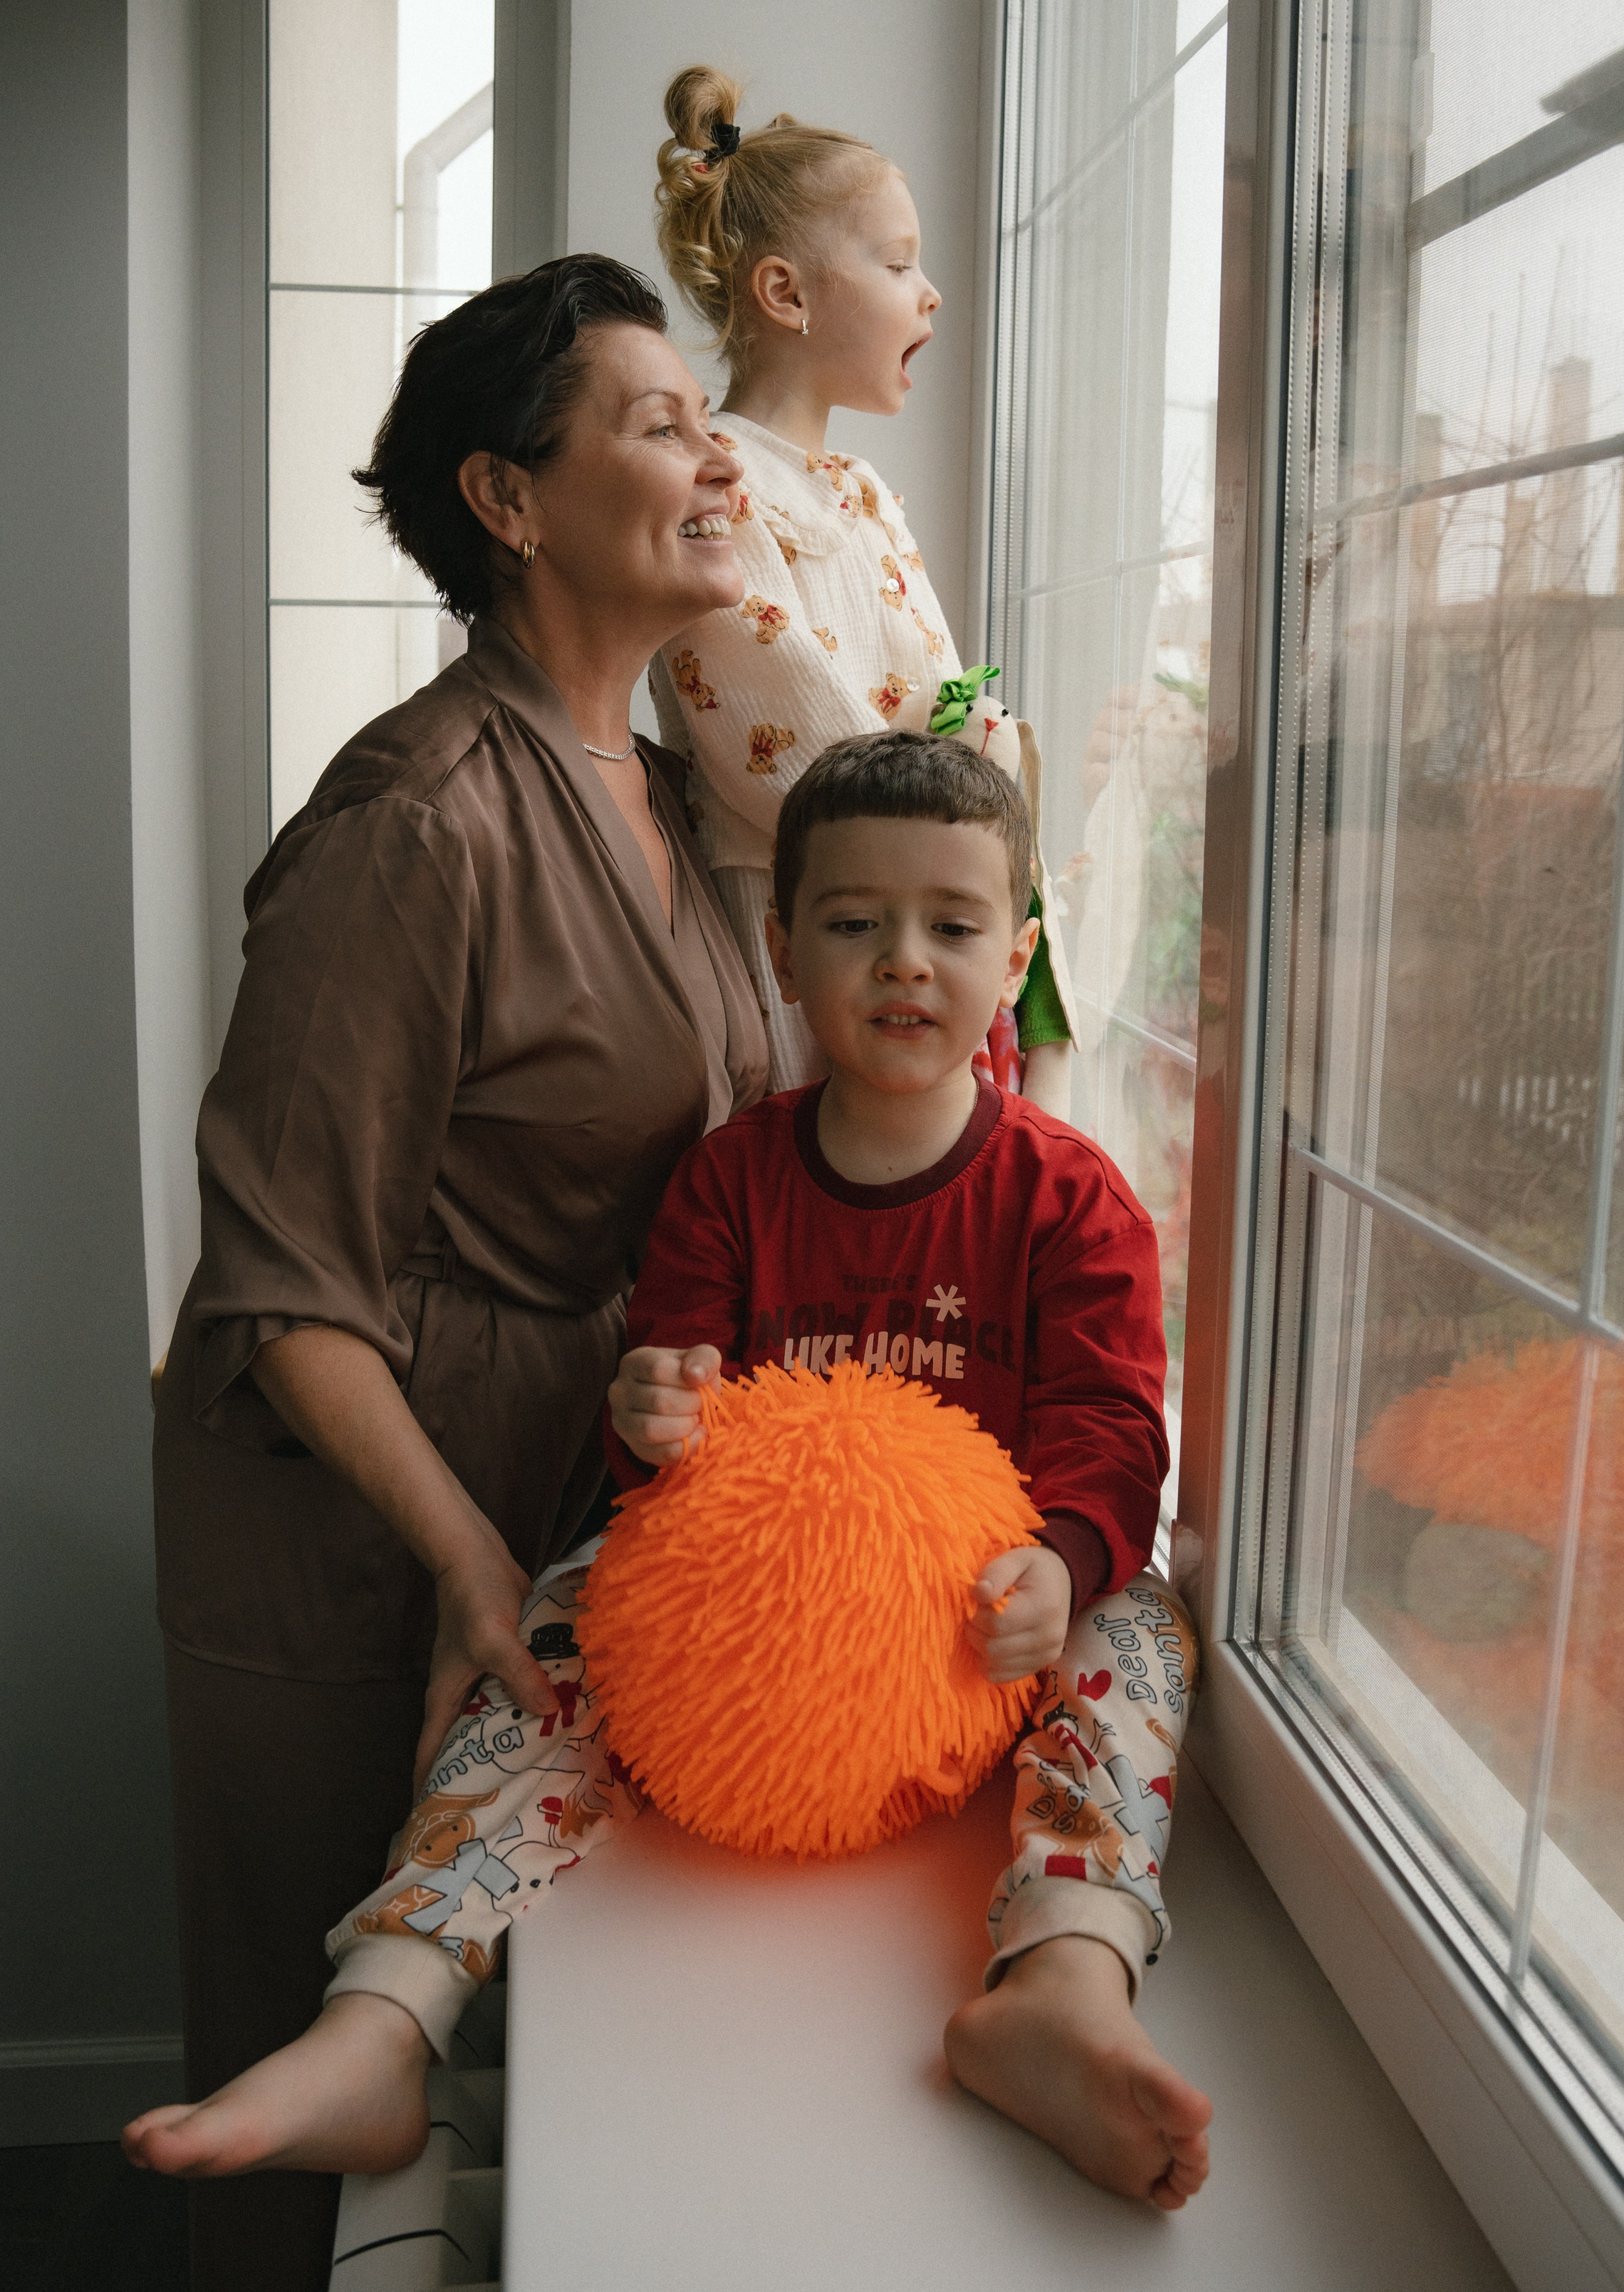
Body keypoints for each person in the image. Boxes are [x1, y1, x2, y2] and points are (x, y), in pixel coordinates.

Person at [127, 731, 1213, 2212]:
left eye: (951, 927)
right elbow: (670, 1398)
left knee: (1143, 1630)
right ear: (781, 947)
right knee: (547, 1627)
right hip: (767, 1646)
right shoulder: (731, 1175)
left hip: (977, 1627)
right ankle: (385, 2012)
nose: (904, 961)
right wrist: (650, 1408)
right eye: (852, 923)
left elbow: (1111, 1421)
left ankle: (1064, 1983)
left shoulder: (1066, 1196)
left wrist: (1069, 1559)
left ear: (1012, 952)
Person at [145, 254, 768, 2291]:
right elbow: (282, 1281)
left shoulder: (680, 792)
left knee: (523, 2058)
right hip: (366, 1508)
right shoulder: (418, 822)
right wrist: (466, 1561)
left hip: (578, 1478)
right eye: (658, 421)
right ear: (512, 501)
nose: (710, 454)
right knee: (325, 2046)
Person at [645, 65, 1078, 1108]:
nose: (929, 293)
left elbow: (936, 697)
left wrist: (977, 740)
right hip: (811, 922)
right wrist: (977, 758)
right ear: (786, 292)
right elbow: (795, 754)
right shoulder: (720, 485)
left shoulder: (863, 490)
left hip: (912, 904)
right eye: (897, 262)